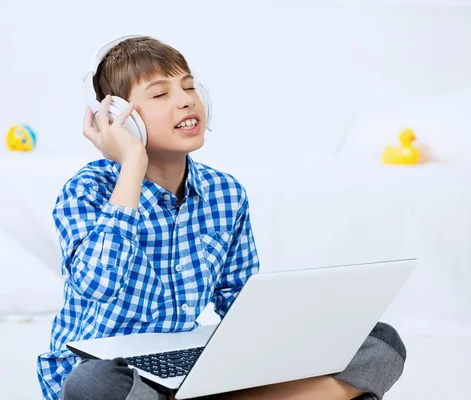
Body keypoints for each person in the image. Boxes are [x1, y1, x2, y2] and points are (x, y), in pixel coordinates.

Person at [37, 35, 406, 400]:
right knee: (93, 386)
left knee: (379, 341)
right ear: (118, 117)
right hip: (112, 369)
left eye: (189, 87)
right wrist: (132, 163)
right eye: (161, 94)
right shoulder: (88, 189)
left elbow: (240, 304)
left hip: (188, 367)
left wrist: (295, 339)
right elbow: (96, 285)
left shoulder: (225, 193)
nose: (185, 100)